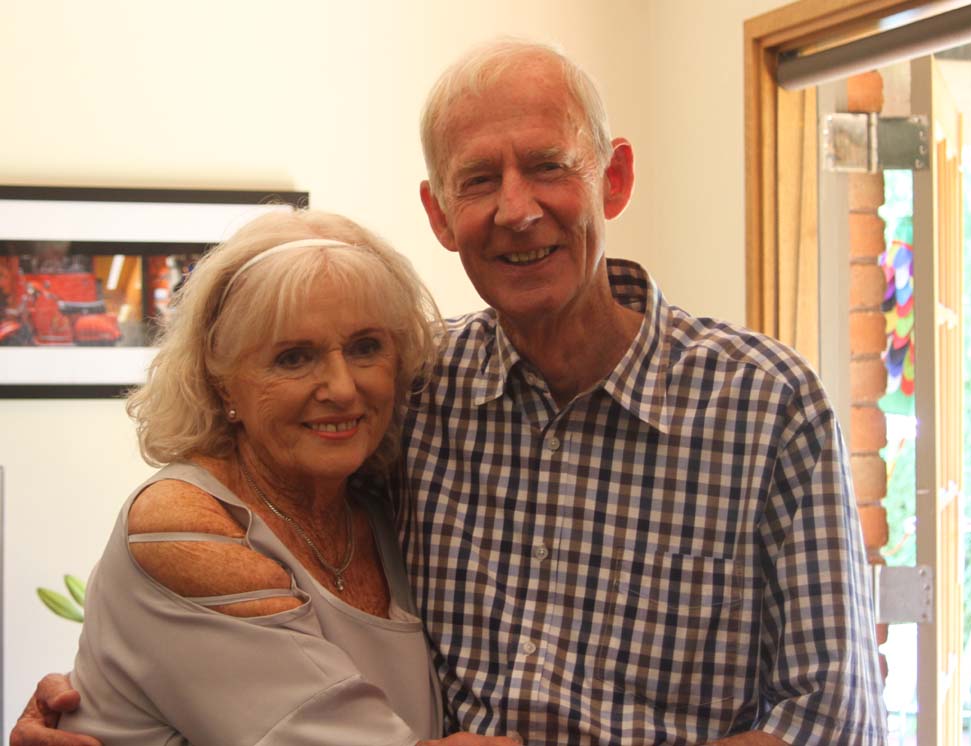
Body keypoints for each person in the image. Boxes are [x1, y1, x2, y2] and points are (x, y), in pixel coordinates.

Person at [13, 40, 886, 746]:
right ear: (439, 214)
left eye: (547, 165)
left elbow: (830, 721)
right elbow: (234, 590)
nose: (517, 209)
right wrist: (105, 702)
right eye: (479, 180)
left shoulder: (765, 406)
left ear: (613, 179)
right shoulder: (417, 395)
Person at [19, 208, 518, 746]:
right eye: (294, 358)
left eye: (365, 347)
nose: (342, 388)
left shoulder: (378, 508)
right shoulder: (183, 525)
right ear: (222, 381)